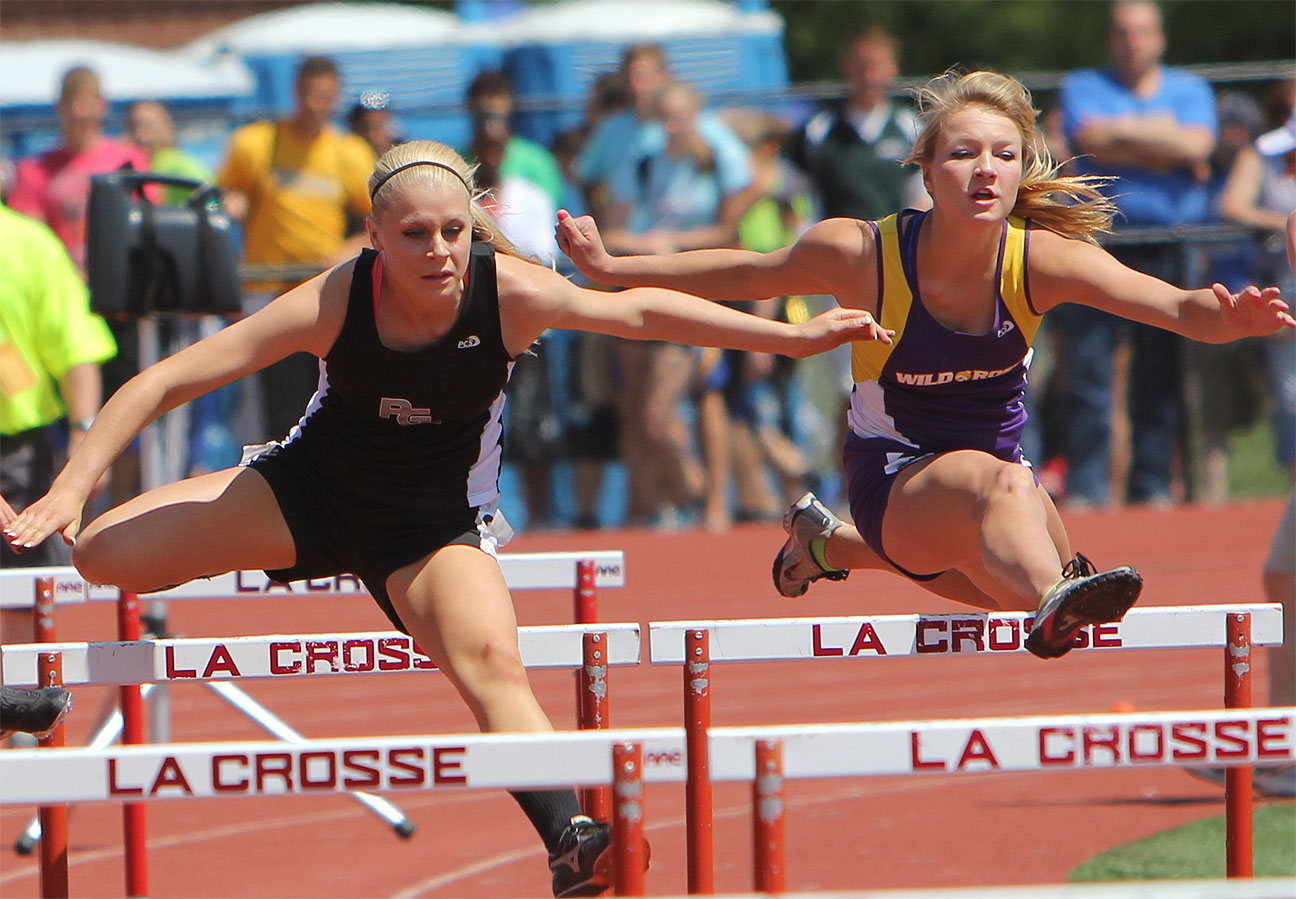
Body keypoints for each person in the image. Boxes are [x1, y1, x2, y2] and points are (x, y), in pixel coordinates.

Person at [2, 140, 875, 895]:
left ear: (474, 226)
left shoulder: (511, 293)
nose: (439, 251)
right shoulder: (338, 296)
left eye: (454, 230)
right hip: (307, 491)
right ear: (375, 235)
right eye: (415, 234)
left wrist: (791, 339)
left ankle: (571, 840)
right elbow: (169, 378)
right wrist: (75, 485)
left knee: (492, 664)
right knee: (101, 554)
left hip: (431, 523)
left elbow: (639, 312)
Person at [557, 69, 1295, 660]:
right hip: (894, 475)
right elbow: (748, 271)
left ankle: (828, 544)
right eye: (964, 153)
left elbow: (1176, 307)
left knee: (1017, 563)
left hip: (987, 489)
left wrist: (1230, 319)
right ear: (928, 172)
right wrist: (615, 267)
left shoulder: (1040, 261)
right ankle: (1051, 596)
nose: (986, 170)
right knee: (1030, 542)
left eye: (1004, 155)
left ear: (1021, 173)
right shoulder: (863, 253)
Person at [1056, 0, 1218, 507]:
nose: (1133, 42)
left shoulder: (1191, 90)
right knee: (1088, 371)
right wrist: (1163, 140)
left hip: (1168, 243)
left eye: (1142, 32)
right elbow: (1088, 141)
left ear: (1160, 38)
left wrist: (1119, 135)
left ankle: (1152, 484)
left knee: (1160, 370)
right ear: (1112, 38)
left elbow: (1197, 147)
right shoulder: (1082, 86)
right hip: (1097, 243)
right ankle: (1087, 485)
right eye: (1124, 32)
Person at [8, 66, 152, 507]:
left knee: (127, 412)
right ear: (60, 108)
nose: (81, 113)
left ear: (102, 106)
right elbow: (29, 236)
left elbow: (147, 230)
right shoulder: (37, 169)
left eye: (88, 102)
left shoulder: (127, 160)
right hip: (64, 305)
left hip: (120, 307)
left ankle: (120, 504)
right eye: (73, 103)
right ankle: (70, 501)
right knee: (65, 412)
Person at [217, 55, 377, 442]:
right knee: (271, 405)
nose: (314, 105)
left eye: (324, 96)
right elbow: (222, 195)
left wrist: (348, 249)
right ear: (295, 93)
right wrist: (233, 202)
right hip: (268, 289)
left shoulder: (349, 153)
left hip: (322, 291)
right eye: (308, 94)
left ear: (336, 98)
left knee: (323, 397)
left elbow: (382, 221)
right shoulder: (257, 143)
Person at [462, 69, 568, 528]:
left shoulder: (531, 181)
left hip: (522, 321)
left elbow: (544, 253)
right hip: (471, 321)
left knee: (533, 423)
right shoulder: (458, 180)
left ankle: (541, 518)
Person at [784, 27, 928, 221]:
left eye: (877, 67)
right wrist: (803, 230)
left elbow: (922, 196)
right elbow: (787, 193)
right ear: (847, 67)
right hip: (835, 238)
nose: (869, 77)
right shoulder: (817, 130)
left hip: (893, 237)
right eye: (861, 67)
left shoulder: (911, 128)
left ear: (893, 69)